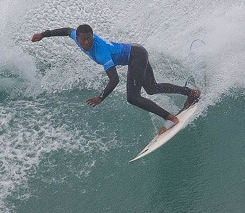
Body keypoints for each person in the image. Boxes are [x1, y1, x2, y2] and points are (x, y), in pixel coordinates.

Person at [31, 24, 200, 133]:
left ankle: (170, 118)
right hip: (137, 53)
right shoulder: (76, 36)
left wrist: (101, 97)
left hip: (136, 56)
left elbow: (114, 79)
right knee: (152, 88)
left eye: (89, 39)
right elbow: (67, 30)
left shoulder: (101, 51)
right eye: (82, 39)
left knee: (133, 97)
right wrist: (43, 34)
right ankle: (190, 92)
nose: (85, 43)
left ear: (92, 36)